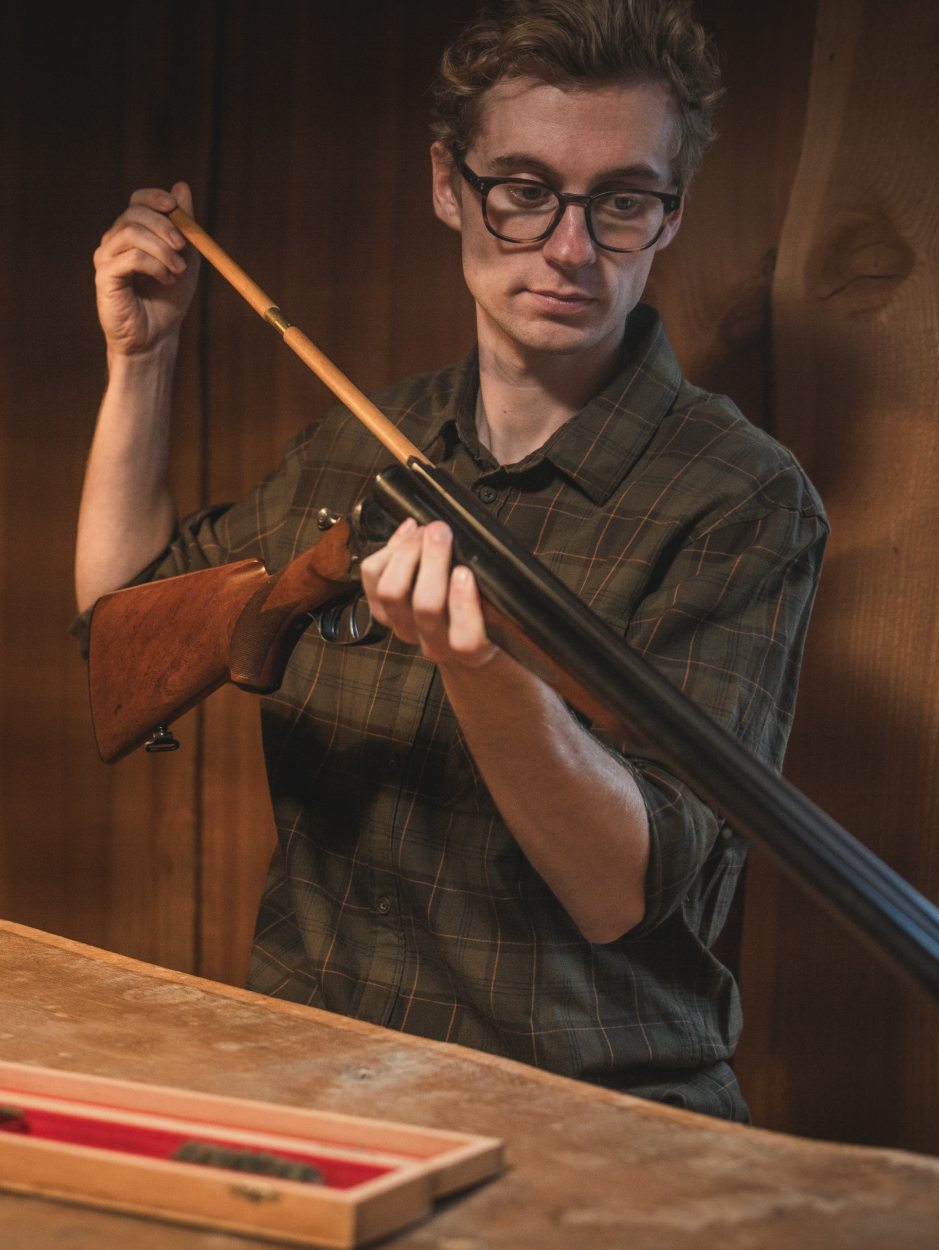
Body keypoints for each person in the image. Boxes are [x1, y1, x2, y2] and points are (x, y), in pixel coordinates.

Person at [76, 0, 827, 1122]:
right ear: (448, 184)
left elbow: (621, 891)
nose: (569, 248)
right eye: (524, 190)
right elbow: (121, 627)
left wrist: (479, 667)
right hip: (313, 1086)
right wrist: (144, 360)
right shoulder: (350, 443)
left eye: (622, 201)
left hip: (586, 1114)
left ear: (670, 215)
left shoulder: (741, 497)